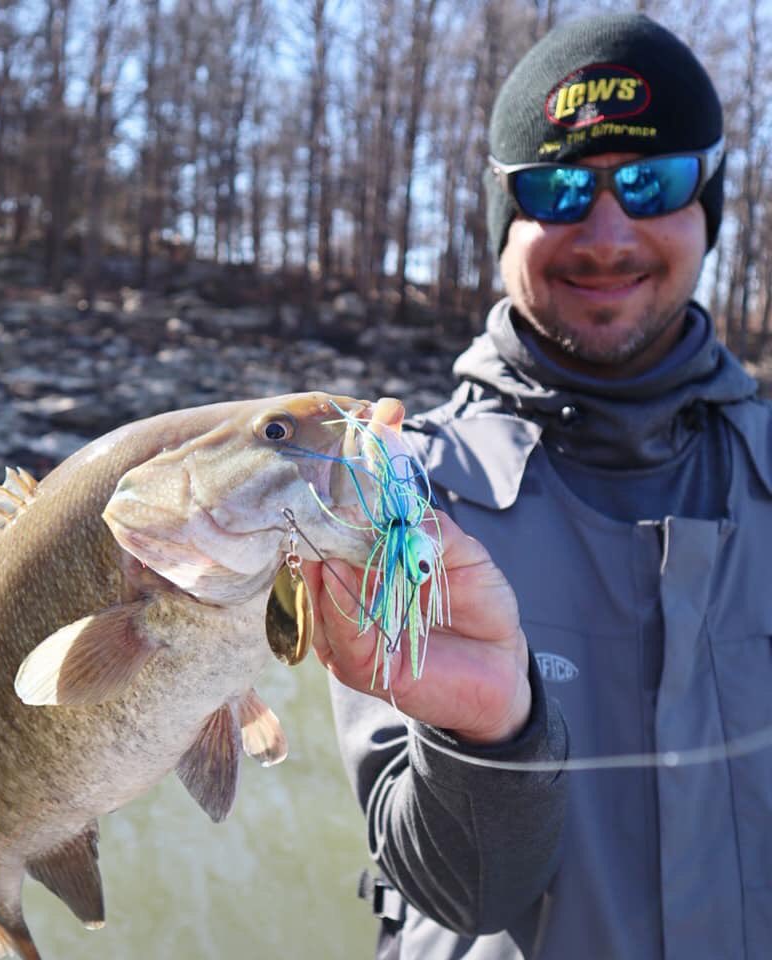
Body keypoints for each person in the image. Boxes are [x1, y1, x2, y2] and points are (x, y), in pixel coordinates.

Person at [301, 13, 772, 959]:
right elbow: (454, 893)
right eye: (556, 189)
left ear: (705, 206)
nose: (606, 234)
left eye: (650, 180)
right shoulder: (397, 494)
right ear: (502, 223)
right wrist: (489, 742)